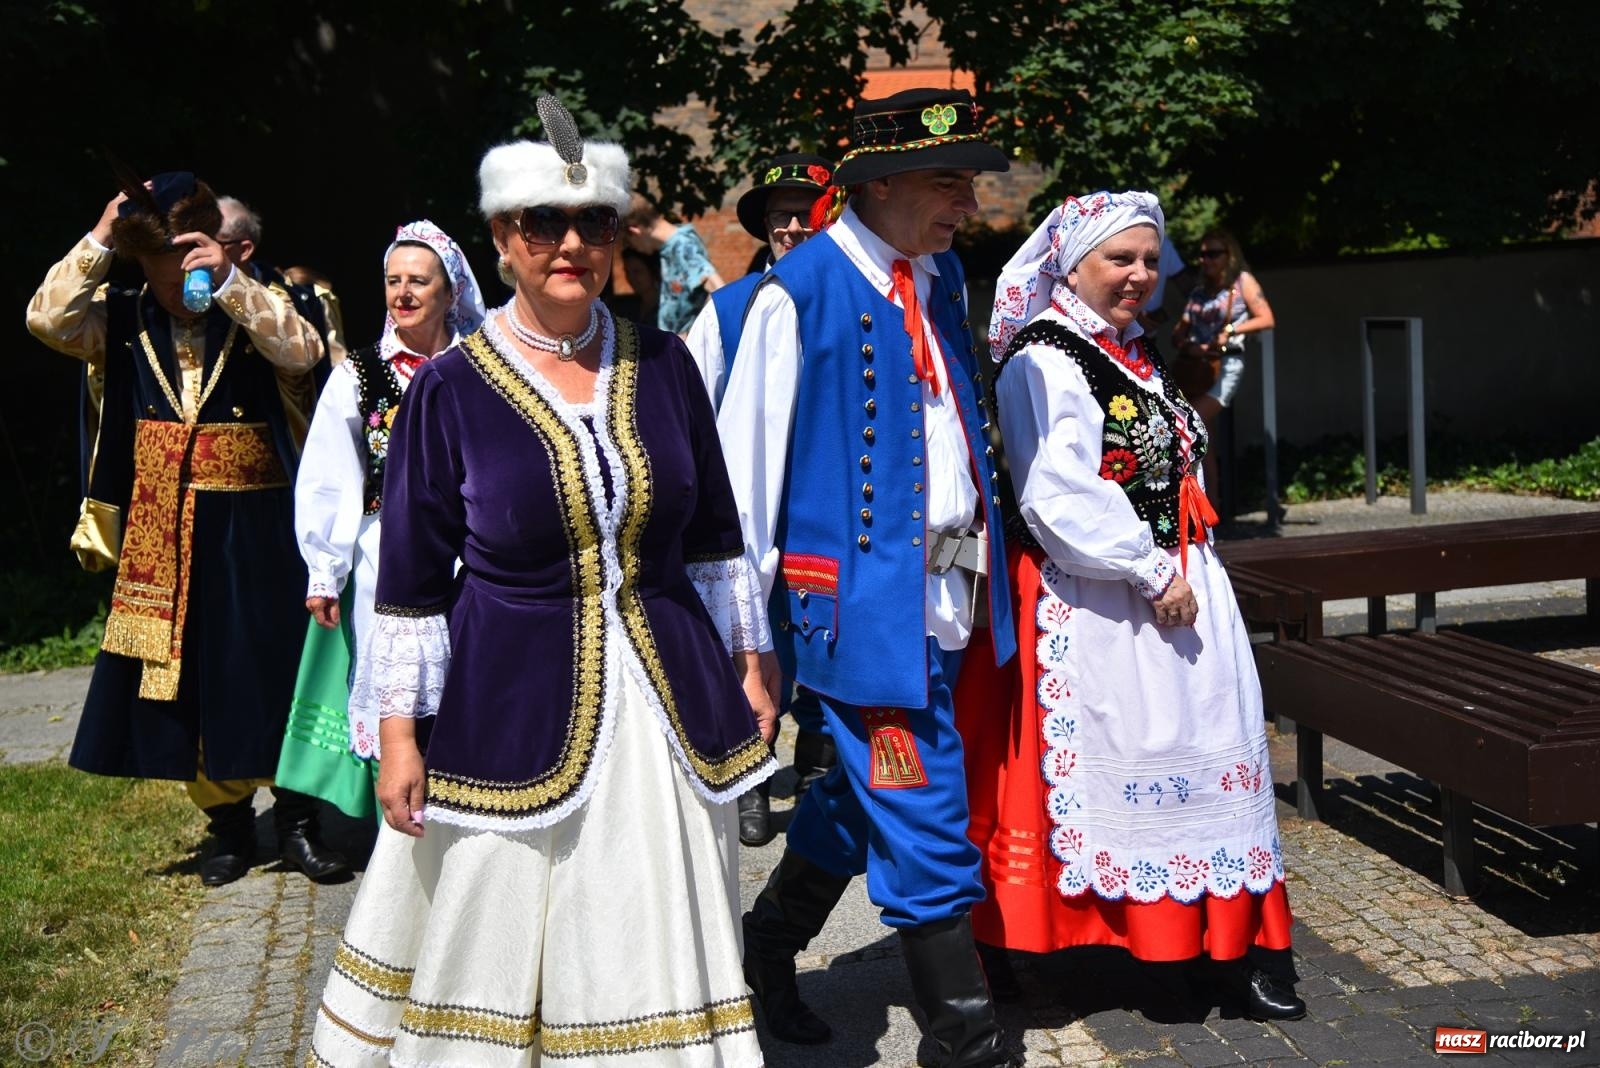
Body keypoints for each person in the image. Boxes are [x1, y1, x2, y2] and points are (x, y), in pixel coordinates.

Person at [305, 96, 777, 1067]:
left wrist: (752, 660)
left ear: (615, 235)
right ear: (503, 240)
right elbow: (409, 581)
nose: (570, 243)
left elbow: (718, 535)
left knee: (655, 924)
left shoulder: (667, 366)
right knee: (496, 929)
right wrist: (398, 735)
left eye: (592, 223)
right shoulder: (451, 387)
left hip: (665, 702)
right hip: (503, 700)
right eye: (543, 225)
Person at [719, 88, 1022, 1067]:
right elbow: (737, 490)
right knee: (926, 820)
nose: (968, 204)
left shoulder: (937, 280)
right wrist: (747, 647)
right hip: (854, 617)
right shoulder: (791, 292)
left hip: (950, 595)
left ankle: (765, 948)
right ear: (878, 182)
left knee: (858, 800)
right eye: (949, 181)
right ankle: (964, 1045)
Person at [963, 190, 1305, 1021]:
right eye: (1121, 259)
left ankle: (1232, 947)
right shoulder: (1045, 359)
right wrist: (1149, 570)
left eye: (1150, 261)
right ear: (1070, 266)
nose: (1141, 276)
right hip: (1099, 601)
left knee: (1213, 760)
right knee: (1103, 770)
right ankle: (1045, 948)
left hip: (1184, 589)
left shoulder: (1132, 351)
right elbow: (1056, 493)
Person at [24, 172, 347, 887]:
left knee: (273, 665)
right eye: (155, 272)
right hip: (163, 525)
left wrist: (229, 279)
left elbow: (302, 354)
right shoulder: (126, 315)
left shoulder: (260, 300)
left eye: (180, 269)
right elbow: (46, 321)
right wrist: (101, 239)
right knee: (186, 678)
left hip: (260, 521)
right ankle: (226, 827)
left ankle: (295, 818)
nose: (172, 289)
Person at [274, 221, 485, 819]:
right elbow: (327, 476)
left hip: (477, 552)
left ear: (451, 291)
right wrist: (324, 568)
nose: (403, 293)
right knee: (397, 687)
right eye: (393, 281)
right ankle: (401, 809)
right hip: (385, 558)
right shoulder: (359, 375)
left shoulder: (483, 367)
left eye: (419, 281)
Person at [685, 150, 838, 847]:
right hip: (749, 514)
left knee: (826, 648)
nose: (792, 227)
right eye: (780, 217)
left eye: (804, 214)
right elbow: (686, 407)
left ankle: (820, 767)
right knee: (747, 644)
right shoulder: (729, 309)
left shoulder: (850, 298)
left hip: (828, 511)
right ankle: (751, 776)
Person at [1170, 228, 1275, 509]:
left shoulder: (1242, 282)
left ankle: (1203, 506)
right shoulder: (1199, 291)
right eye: (1203, 254)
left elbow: (1266, 318)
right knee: (1205, 440)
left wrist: (1230, 330)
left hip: (1225, 366)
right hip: (1196, 369)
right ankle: (1210, 508)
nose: (1207, 260)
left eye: (1214, 253)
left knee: (1188, 426)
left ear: (1229, 255)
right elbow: (1179, 332)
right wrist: (1188, 345)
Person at [623, 192, 724, 335]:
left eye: (629, 242)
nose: (634, 248)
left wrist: (693, 335)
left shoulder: (682, 246)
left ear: (634, 231)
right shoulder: (669, 248)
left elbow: (718, 289)